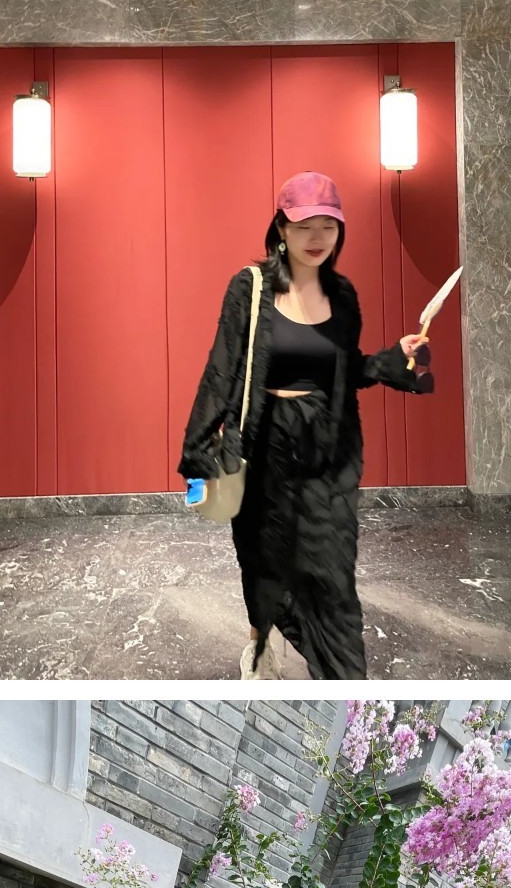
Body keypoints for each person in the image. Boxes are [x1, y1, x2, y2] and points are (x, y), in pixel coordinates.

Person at [180, 168, 434, 682]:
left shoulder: (342, 296)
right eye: (304, 226)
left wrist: (394, 359)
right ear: (281, 228)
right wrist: (198, 459)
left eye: (328, 226)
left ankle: (342, 680)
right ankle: (260, 641)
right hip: (264, 443)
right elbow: (222, 371)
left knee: (330, 574)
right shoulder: (250, 288)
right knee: (263, 559)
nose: (317, 237)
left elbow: (346, 369)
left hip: (326, 450)